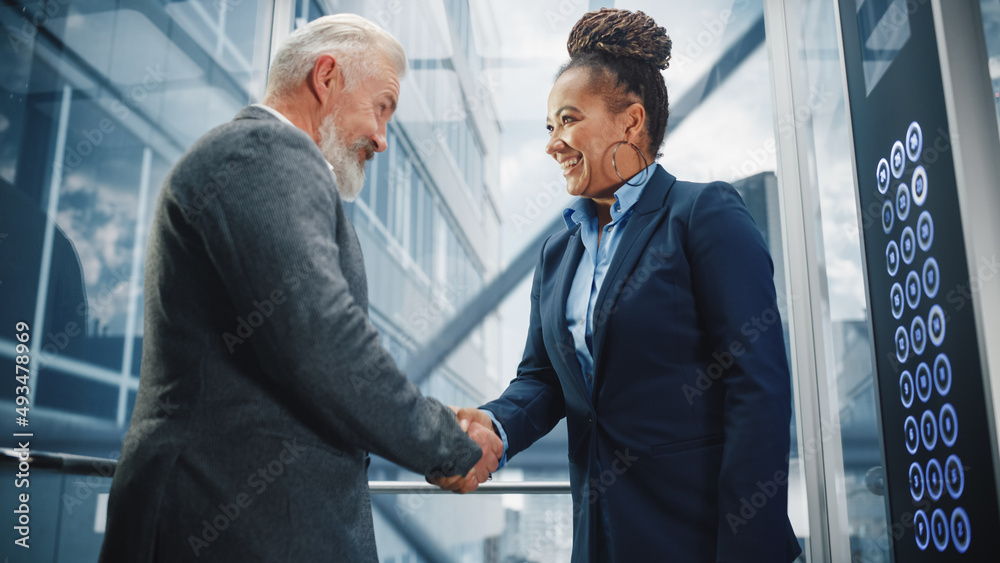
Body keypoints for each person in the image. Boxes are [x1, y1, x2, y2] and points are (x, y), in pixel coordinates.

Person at [98, 14, 501, 563]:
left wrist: (438, 423)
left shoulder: (266, 163)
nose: (382, 140)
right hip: (231, 528)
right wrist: (448, 444)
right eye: (382, 107)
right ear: (327, 77)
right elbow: (323, 339)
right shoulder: (264, 152)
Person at [438, 8, 802, 562]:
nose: (553, 144)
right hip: (601, 538)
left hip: (701, 538)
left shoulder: (703, 215)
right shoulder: (559, 251)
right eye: (548, 128)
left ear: (631, 123)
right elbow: (542, 380)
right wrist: (495, 426)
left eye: (567, 120)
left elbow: (759, 391)